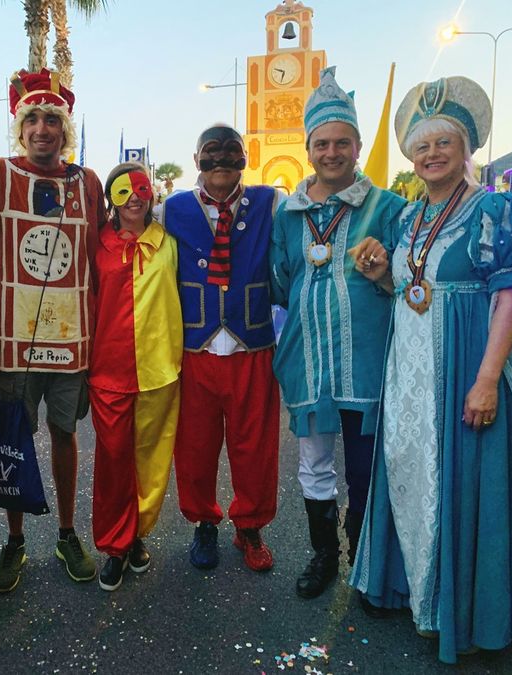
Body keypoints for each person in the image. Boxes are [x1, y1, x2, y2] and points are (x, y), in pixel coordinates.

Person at [349, 76, 512, 663]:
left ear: (466, 149)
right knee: (408, 464)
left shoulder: (494, 211)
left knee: (459, 475)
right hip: (410, 364)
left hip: (464, 360)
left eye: (444, 143)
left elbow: (508, 299)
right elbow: (408, 290)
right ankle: (409, 587)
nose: (431, 154)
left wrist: (487, 379)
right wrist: (380, 271)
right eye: (422, 145)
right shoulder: (408, 219)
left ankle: (460, 610)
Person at [269, 66, 406, 601]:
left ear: (356, 145)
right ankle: (325, 554)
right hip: (308, 358)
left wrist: (385, 274)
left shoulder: (390, 208)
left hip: (368, 360)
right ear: (309, 148)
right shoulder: (289, 214)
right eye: (322, 143)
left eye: (341, 142)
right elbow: (282, 279)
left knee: (368, 466)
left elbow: (412, 283)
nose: (332, 152)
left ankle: (367, 565)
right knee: (314, 463)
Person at [0, 68, 105, 592]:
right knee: (13, 439)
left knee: (65, 435)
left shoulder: (87, 182)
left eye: (53, 119)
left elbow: (102, 256)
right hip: (14, 339)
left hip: (72, 342)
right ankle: (15, 538)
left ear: (64, 130)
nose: (43, 128)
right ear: (20, 127)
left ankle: (68, 533)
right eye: (33, 119)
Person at [162, 123, 282, 572]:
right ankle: (204, 524)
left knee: (255, 446)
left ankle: (249, 526)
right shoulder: (170, 210)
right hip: (195, 349)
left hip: (252, 346)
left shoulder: (271, 202)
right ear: (196, 161)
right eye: (211, 155)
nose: (221, 164)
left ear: (244, 159)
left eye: (231, 155)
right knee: (194, 446)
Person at [89, 162, 183, 591]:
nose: (134, 198)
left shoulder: (167, 244)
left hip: (159, 368)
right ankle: (113, 544)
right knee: (113, 461)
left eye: (141, 189)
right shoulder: (97, 246)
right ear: (112, 198)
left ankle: (136, 536)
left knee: (150, 460)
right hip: (108, 369)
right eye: (124, 191)